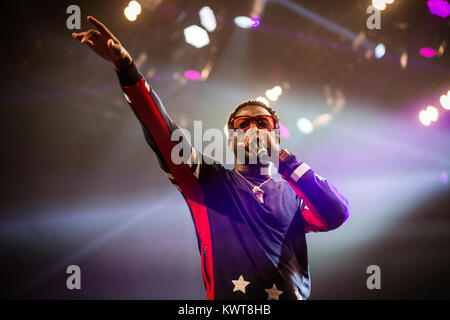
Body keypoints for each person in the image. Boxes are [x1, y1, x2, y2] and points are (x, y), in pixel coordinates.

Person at [72, 16, 350, 300]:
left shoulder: (295, 194)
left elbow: (336, 213)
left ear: (276, 135)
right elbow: (163, 131)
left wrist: (283, 159)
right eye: (242, 125)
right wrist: (127, 68)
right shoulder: (208, 180)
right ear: (230, 139)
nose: (252, 128)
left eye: (263, 123)